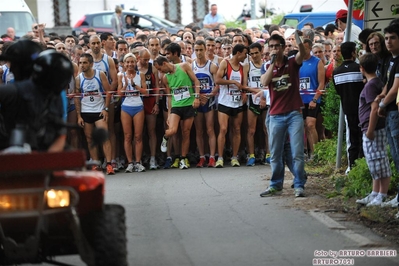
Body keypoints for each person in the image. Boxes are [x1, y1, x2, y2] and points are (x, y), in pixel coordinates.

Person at [259, 32, 307, 197]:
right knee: (275, 153)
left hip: (294, 114)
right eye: (271, 46)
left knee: (297, 152)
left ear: (283, 47)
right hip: (275, 115)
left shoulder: (292, 63)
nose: (273, 49)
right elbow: (265, 82)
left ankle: (299, 184)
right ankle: (275, 184)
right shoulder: (266, 66)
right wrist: (272, 64)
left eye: (276, 46)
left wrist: (299, 40)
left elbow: (304, 54)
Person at [0, 44, 73, 152]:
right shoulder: (11, 90)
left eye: (14, 65)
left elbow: (60, 135)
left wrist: (44, 162)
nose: (11, 70)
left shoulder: (14, 91)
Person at [355, 53, 391, 206]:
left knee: (378, 161)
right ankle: (375, 192)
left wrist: (370, 130)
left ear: (361, 68)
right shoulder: (376, 82)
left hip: (373, 129)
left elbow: (374, 108)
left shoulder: (370, 85)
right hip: (372, 128)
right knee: (374, 161)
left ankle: (381, 194)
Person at [154, 56, 200, 170]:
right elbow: (169, 96)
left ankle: (183, 158)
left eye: (160, 69)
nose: (160, 72)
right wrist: (169, 113)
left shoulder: (184, 66)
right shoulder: (165, 78)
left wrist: (197, 97)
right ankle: (165, 137)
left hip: (189, 104)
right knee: (173, 130)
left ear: (165, 63)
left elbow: (196, 81)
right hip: (176, 106)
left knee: (186, 132)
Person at [74, 53, 114, 175]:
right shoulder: (78, 78)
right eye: (80, 63)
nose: (82, 65)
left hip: (99, 110)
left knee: (104, 137)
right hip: (86, 111)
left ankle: (109, 164)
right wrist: (79, 115)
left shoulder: (99, 74)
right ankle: (96, 164)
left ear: (91, 64)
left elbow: (108, 91)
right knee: (90, 138)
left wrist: (106, 109)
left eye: (85, 62)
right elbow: (76, 97)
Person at [214, 44, 249, 168]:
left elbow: (244, 84)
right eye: (245, 53)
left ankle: (234, 157)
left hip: (237, 101)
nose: (246, 56)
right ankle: (220, 158)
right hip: (224, 101)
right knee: (223, 129)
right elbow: (217, 80)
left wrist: (244, 93)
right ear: (238, 53)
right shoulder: (225, 63)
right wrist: (233, 81)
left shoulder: (243, 67)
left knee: (237, 129)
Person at [333, 42, 364, 174]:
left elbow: (338, 91)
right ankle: (363, 165)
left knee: (351, 139)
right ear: (353, 53)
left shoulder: (336, 72)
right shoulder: (360, 69)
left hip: (347, 109)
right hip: (363, 109)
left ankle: (352, 166)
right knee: (364, 137)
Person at [377, 23, 399, 208]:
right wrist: (381, 96)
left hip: (395, 112)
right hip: (390, 111)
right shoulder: (391, 60)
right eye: (387, 38)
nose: (389, 42)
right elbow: (388, 84)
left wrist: (383, 103)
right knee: (394, 154)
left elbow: (395, 88)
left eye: (393, 37)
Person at [118, 53, 148, 173]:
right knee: (127, 136)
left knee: (138, 136)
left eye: (132, 62)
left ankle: (138, 162)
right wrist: (125, 85)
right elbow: (119, 94)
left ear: (135, 63)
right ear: (124, 64)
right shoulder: (121, 75)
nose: (130, 64)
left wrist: (135, 85)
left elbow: (145, 92)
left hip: (138, 106)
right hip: (126, 107)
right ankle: (130, 162)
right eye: (127, 62)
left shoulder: (140, 75)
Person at [192, 40, 218, 167]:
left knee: (210, 129)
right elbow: (190, 84)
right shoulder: (191, 66)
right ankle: (202, 157)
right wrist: (197, 96)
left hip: (209, 101)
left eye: (201, 50)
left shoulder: (211, 66)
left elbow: (218, 84)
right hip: (197, 100)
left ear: (205, 50)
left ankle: (212, 157)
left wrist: (209, 95)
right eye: (196, 50)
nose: (199, 52)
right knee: (199, 130)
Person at [299, 39, 325, 160]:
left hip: (312, 99)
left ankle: (315, 155)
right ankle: (305, 153)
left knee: (310, 125)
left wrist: (315, 99)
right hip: (299, 100)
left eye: (305, 48)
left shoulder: (317, 62)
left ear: (310, 48)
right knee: (302, 126)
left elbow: (321, 83)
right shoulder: (297, 62)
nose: (303, 51)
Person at [137, 48, 160, 170]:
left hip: (150, 100)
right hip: (137, 101)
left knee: (151, 130)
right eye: (144, 59)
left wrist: (156, 103)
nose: (146, 61)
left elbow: (157, 86)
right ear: (138, 58)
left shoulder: (153, 68)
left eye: (148, 59)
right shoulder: (134, 68)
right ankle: (139, 158)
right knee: (139, 132)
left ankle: (152, 158)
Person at [246, 42, 268, 166]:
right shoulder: (247, 66)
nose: (254, 56)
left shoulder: (267, 65)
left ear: (261, 52)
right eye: (251, 53)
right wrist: (256, 91)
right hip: (253, 100)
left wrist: (263, 95)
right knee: (251, 130)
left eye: (256, 53)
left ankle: (269, 155)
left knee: (266, 129)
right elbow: (244, 85)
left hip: (266, 100)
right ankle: (251, 155)